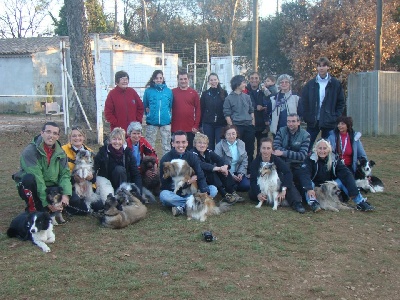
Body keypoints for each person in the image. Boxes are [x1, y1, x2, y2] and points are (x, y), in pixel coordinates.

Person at [298, 139, 375, 212]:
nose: (322, 151)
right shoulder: (310, 159)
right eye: (320, 148)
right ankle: (313, 202)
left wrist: (353, 190)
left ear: (329, 149)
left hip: (330, 183)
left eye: (324, 148)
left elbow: (346, 173)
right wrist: (309, 188)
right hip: (315, 184)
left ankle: (360, 202)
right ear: (316, 149)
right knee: (308, 184)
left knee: (346, 179)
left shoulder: (335, 159)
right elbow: (304, 174)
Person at [13, 122, 71, 214]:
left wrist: (66, 195)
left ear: (58, 137)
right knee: (29, 179)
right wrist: (47, 203)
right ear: (42, 133)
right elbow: (38, 178)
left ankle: (56, 206)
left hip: (51, 187)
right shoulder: (30, 152)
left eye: (54, 133)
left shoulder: (61, 153)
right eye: (48, 132)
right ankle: (32, 207)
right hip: (35, 186)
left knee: (75, 203)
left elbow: (65, 174)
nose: (51, 136)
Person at [159, 131, 217, 216]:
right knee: (164, 196)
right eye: (177, 142)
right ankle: (191, 205)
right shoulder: (166, 159)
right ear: (173, 144)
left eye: (183, 142)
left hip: (192, 192)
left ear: (187, 143)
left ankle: (182, 207)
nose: (181, 145)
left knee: (213, 189)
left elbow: (200, 176)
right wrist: (187, 183)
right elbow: (164, 184)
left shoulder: (192, 157)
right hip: (175, 193)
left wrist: (205, 192)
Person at [248, 138, 306, 213]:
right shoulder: (255, 163)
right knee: (252, 194)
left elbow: (288, 173)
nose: (266, 151)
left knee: (290, 187)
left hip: (277, 184)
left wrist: (283, 189)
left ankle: (297, 204)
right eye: (264, 148)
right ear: (260, 149)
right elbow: (252, 180)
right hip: (263, 186)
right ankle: (268, 199)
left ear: (272, 150)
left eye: (268, 148)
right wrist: (258, 193)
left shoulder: (276, 160)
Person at [301, 57, 345, 152]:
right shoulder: (310, 84)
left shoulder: (335, 84)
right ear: (317, 68)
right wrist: (306, 116)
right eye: (319, 66)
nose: (321, 68)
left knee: (328, 148)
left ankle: (327, 166)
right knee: (307, 147)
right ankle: (306, 165)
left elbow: (341, 102)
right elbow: (304, 102)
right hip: (313, 121)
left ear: (328, 67)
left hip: (329, 121)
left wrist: (335, 116)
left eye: (324, 66)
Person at [191, 132, 243, 204]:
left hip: (209, 179)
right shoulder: (192, 153)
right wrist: (217, 168)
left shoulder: (208, 152)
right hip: (198, 180)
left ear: (207, 145)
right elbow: (201, 164)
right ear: (195, 144)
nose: (202, 145)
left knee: (223, 169)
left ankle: (231, 192)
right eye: (199, 143)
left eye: (204, 143)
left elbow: (220, 159)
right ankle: (224, 194)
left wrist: (225, 166)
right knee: (211, 171)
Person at [62, 125, 103, 215]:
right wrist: (74, 179)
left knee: (99, 205)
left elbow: (94, 175)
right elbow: (60, 174)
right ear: (70, 137)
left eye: (80, 135)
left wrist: (91, 178)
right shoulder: (62, 151)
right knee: (80, 207)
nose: (77, 138)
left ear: (84, 137)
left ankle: (83, 205)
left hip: (87, 185)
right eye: (74, 136)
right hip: (71, 186)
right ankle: (72, 206)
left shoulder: (90, 152)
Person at [94, 127, 142, 192]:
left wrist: (139, 191)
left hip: (123, 182)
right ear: (110, 140)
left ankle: (121, 193)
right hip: (106, 182)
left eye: (119, 139)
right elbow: (94, 168)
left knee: (119, 170)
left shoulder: (128, 152)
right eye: (114, 139)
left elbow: (135, 173)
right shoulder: (103, 151)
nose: (117, 142)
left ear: (123, 141)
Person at [223, 75, 255, 168]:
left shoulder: (247, 97)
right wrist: (232, 128)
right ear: (237, 84)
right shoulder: (229, 98)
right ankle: (237, 169)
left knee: (250, 149)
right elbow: (227, 115)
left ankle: (249, 170)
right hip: (237, 127)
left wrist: (253, 124)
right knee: (237, 150)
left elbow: (251, 111)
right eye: (243, 82)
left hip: (248, 126)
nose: (245, 84)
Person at [273, 113, 310, 189]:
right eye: (288, 121)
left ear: (298, 122)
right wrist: (293, 154)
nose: (290, 124)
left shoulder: (306, 135)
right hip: (282, 163)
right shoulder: (281, 131)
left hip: (297, 165)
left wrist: (283, 153)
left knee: (302, 181)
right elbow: (276, 147)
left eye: (293, 121)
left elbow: (302, 155)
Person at [143, 70, 173, 156]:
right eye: (156, 78)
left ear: (163, 79)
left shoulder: (168, 91)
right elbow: (145, 105)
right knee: (150, 144)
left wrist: (168, 115)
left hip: (165, 122)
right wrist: (149, 115)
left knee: (166, 145)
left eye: (160, 78)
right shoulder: (148, 91)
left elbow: (170, 105)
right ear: (153, 79)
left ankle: (166, 164)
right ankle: (150, 164)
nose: (159, 80)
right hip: (152, 122)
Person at [215, 125, 250, 192]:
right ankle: (231, 186)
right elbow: (218, 162)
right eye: (228, 134)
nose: (231, 136)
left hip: (238, 171)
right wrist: (231, 175)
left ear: (236, 134)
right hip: (226, 173)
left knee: (246, 186)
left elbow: (244, 161)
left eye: (233, 134)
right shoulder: (219, 146)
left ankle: (233, 186)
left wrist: (241, 173)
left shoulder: (241, 144)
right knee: (229, 186)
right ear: (225, 135)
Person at [171, 71, 201, 149]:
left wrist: (196, 125)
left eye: (185, 79)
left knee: (189, 151)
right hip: (175, 127)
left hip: (190, 128)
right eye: (181, 79)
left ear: (188, 79)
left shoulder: (194, 93)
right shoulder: (172, 92)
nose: (183, 81)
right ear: (178, 80)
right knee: (176, 150)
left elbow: (198, 110)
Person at [199, 73, 228, 150]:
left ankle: (218, 161)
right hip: (208, 123)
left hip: (221, 123)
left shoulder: (224, 93)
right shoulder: (205, 94)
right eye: (211, 80)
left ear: (218, 80)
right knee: (209, 145)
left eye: (215, 79)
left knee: (220, 144)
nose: (213, 81)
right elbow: (202, 109)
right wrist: (200, 125)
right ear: (208, 82)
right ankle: (209, 161)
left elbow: (227, 108)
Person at [246, 72, 269, 150]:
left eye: (256, 78)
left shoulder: (263, 90)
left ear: (259, 80)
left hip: (262, 122)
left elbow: (271, 99)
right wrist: (256, 107)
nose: (254, 80)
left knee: (262, 146)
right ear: (249, 80)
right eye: (252, 78)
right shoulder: (245, 90)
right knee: (249, 148)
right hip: (249, 123)